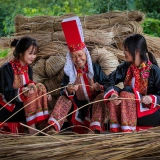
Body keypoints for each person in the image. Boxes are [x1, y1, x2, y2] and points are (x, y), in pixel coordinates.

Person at [48, 16, 112, 134]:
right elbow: (63, 90)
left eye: (80, 55)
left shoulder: (95, 69)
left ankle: (94, 129)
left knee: (101, 97)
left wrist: (99, 87)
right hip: (77, 107)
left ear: (86, 55)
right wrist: (69, 90)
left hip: (94, 106)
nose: (77, 59)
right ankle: (53, 128)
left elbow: (108, 85)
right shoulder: (69, 72)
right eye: (73, 56)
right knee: (63, 98)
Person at [104, 34, 160, 132]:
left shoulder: (154, 70)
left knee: (128, 91)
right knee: (115, 91)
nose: (124, 52)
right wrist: (112, 94)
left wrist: (151, 98)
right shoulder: (125, 67)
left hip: (147, 113)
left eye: (126, 49)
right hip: (127, 110)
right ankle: (116, 129)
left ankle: (127, 131)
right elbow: (107, 81)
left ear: (137, 51)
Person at [0, 36, 51, 134]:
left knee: (40, 87)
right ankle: (33, 131)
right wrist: (23, 91)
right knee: (31, 92)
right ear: (20, 53)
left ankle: (44, 127)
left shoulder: (29, 69)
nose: (33, 57)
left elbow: (30, 84)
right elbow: (8, 94)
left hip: (22, 106)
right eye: (30, 53)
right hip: (7, 107)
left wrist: (44, 94)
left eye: (35, 54)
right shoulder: (7, 68)